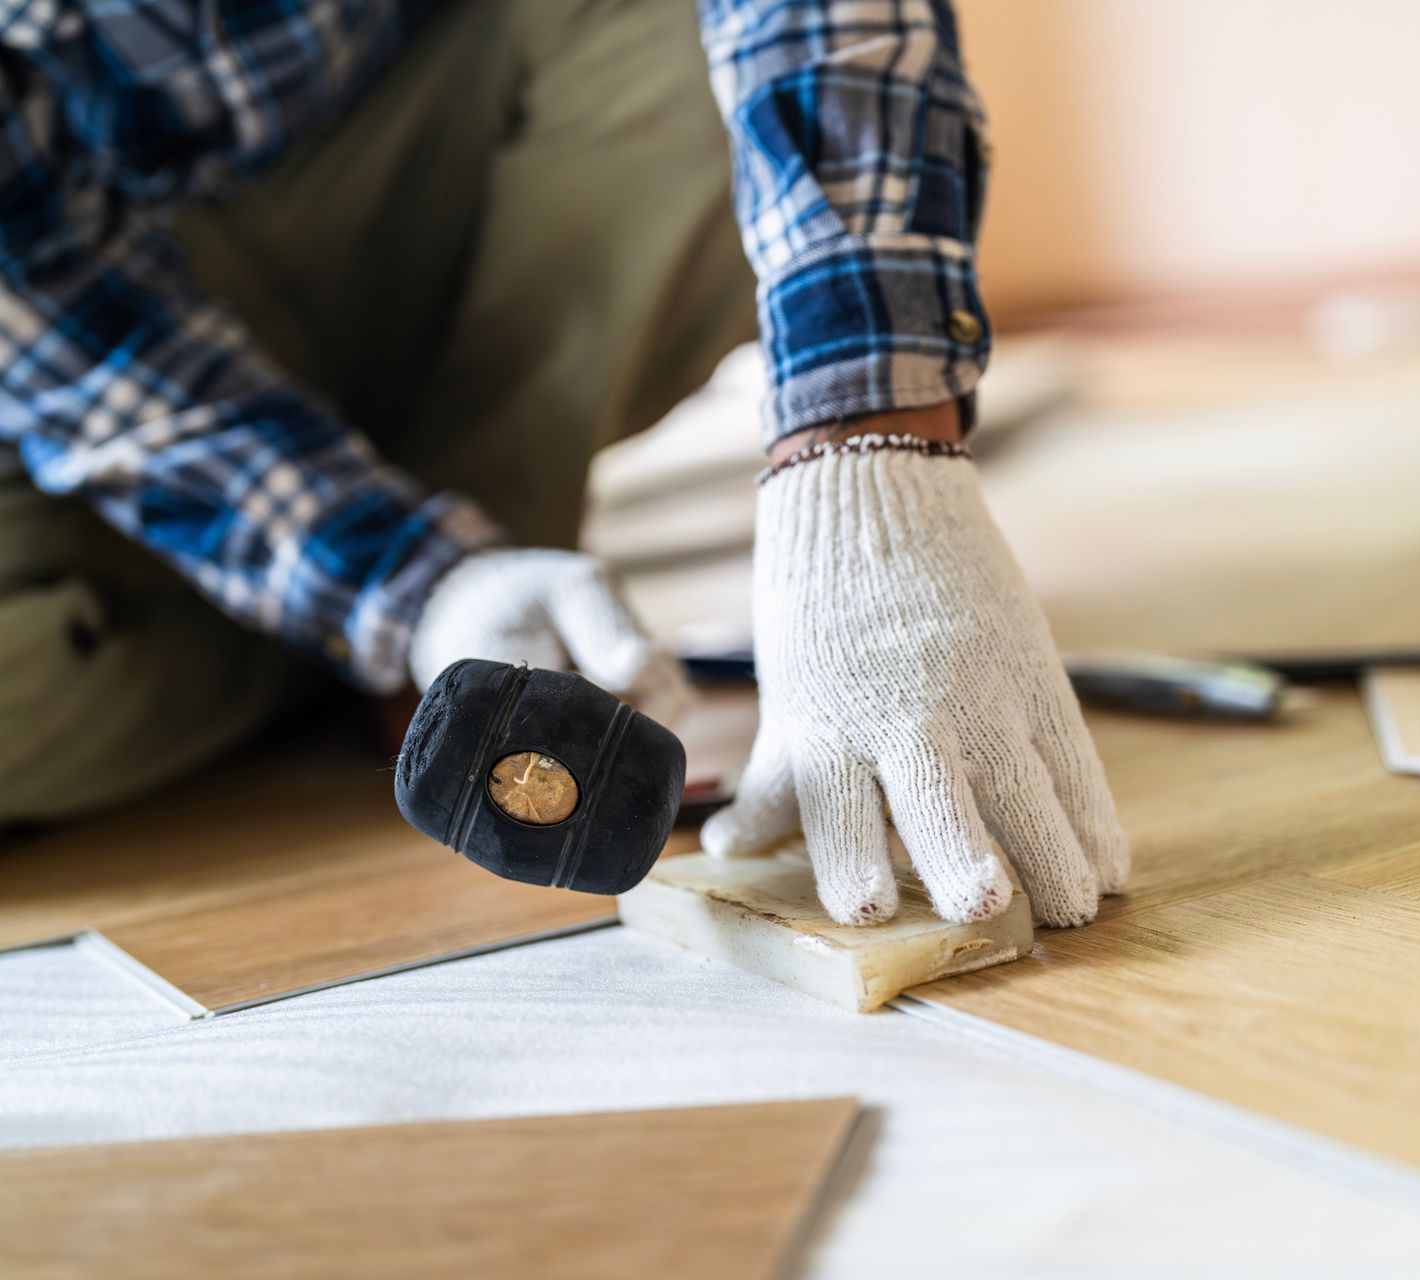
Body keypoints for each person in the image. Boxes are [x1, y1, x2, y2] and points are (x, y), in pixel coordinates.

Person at [0, 0, 1127, 929]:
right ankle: (408, 620)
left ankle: (406, 600)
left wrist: (868, 445)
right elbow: (55, 324)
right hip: (56, 363)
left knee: (683, 51)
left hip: (442, 163)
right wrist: (420, 583)